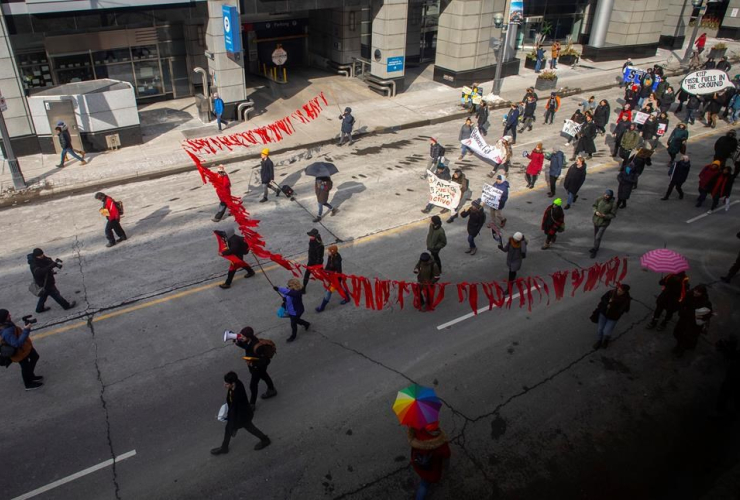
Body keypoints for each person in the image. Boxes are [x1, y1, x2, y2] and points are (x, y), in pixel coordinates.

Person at [211, 371, 270, 455]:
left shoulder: (238, 393)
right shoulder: (235, 385)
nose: (224, 385)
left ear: (233, 383)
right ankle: (224, 447)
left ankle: (265, 439)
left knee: (250, 428)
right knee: (228, 429)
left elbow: (234, 408)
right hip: (237, 414)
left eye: (227, 384)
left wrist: (223, 416)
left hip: (242, 416)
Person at [233, 327, 277, 407]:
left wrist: (253, 365)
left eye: (243, 337)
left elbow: (263, 361)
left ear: (248, 337)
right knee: (264, 375)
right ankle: (271, 389)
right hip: (256, 367)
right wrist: (238, 343)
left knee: (253, 385)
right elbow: (247, 346)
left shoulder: (258, 348)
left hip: (257, 368)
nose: (241, 337)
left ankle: (252, 404)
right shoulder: (250, 341)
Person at [0, 309, 43, 390]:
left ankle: (31, 375)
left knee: (35, 357)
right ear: (4, 319)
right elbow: (17, 344)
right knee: (25, 366)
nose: (10, 315)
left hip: (24, 347)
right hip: (19, 352)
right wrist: (26, 330)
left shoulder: (7, 324)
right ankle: (28, 384)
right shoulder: (6, 332)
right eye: (8, 315)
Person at [408, 422, 451, 499]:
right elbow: (447, 455)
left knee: (423, 480)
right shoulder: (440, 443)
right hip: (431, 469)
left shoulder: (416, 430)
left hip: (418, 463)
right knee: (424, 484)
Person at [27, 248, 76, 314]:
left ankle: (39, 308)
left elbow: (47, 260)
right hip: (44, 282)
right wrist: (51, 265)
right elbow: (40, 272)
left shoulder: (41, 258)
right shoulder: (33, 264)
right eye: (40, 256)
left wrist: (54, 263)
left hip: (46, 281)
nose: (42, 256)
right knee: (55, 294)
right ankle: (66, 306)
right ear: (36, 256)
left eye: (42, 254)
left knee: (44, 295)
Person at [673, 285, 712, 357]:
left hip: (693, 323)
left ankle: (682, 350)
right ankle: (678, 345)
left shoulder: (705, 302)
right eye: (695, 290)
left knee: (687, 336)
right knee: (679, 332)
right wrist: (681, 312)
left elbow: (708, 313)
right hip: (684, 318)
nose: (696, 293)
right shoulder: (689, 294)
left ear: (702, 293)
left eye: (699, 292)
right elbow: (683, 303)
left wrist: (699, 315)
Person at [592, 283, 631, 350]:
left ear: (624, 292)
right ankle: (599, 341)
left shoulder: (626, 299)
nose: (618, 292)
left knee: (607, 331)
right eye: (618, 290)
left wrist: (612, 306)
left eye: (621, 291)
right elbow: (603, 299)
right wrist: (607, 304)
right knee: (600, 329)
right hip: (603, 314)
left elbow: (624, 309)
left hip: (613, 317)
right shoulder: (611, 292)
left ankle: (606, 340)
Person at [315, 245, 350, 312]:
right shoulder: (331, 256)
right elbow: (328, 264)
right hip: (331, 277)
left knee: (329, 292)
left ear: (332, 252)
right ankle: (347, 298)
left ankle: (322, 307)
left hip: (336, 279)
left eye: (328, 251)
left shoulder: (337, 260)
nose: (327, 252)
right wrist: (325, 271)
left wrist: (329, 272)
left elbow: (338, 271)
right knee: (339, 288)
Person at [275, 278, 310, 343]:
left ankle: (293, 336)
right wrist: (284, 303)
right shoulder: (290, 291)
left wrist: (279, 289)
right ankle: (306, 324)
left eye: (289, 286)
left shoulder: (297, 293)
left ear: (294, 286)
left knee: (293, 324)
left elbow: (289, 293)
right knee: (296, 321)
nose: (287, 287)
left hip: (296, 312)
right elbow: (286, 296)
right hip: (292, 311)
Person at [590, 189, 618, 258]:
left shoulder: (613, 204)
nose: (605, 196)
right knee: (595, 235)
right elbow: (594, 206)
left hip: (604, 223)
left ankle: (595, 250)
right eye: (605, 194)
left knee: (598, 237)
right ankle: (595, 246)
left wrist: (605, 216)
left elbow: (613, 215)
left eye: (607, 195)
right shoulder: (599, 199)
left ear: (610, 196)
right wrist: (595, 212)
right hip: (596, 220)